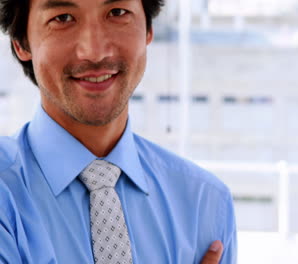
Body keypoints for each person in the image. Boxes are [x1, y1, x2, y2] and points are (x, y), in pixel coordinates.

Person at [0, 0, 236, 263]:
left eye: (117, 13)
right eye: (63, 18)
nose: (95, 52)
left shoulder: (205, 205)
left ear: (148, 28)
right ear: (21, 42)